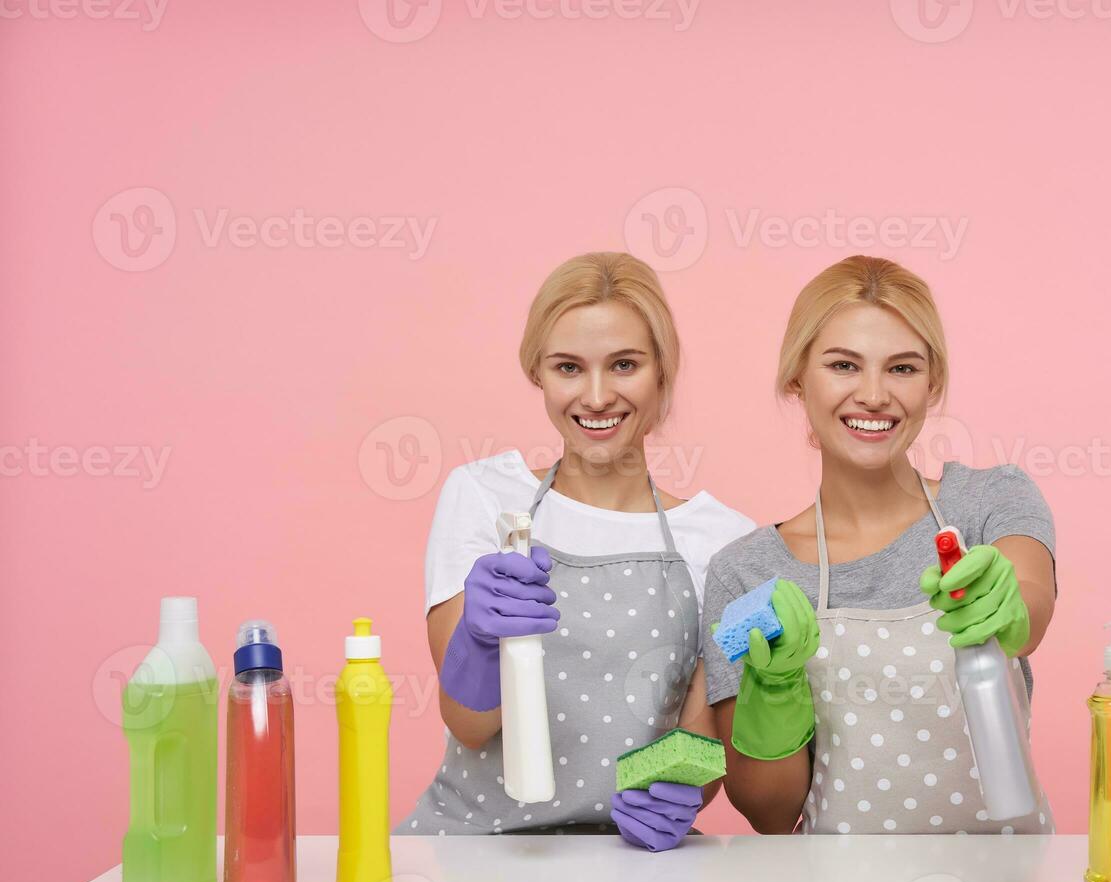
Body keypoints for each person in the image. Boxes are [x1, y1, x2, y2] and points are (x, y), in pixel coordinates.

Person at [398, 252, 754, 849]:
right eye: (569, 367)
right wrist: (479, 644)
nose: (595, 396)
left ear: (661, 370)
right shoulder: (486, 497)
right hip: (469, 850)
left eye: (624, 365)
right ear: (537, 373)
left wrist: (682, 789)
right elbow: (468, 722)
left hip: (630, 863)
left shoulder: (721, 539)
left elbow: (702, 735)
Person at [702, 255, 1057, 835]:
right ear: (798, 377)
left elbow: (1031, 600)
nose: (873, 395)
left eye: (902, 368)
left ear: (931, 382)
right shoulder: (748, 571)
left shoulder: (990, 501)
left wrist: (1008, 602)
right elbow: (768, 812)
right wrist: (772, 690)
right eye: (843, 365)